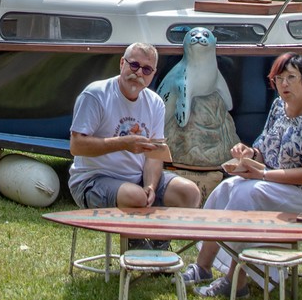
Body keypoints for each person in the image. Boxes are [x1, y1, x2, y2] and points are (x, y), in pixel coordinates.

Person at [185, 52, 302, 297]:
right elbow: (264, 149)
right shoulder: (279, 107)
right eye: (279, 79)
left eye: (291, 78)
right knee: (227, 187)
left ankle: (236, 281)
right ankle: (203, 267)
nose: (284, 85)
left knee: (248, 193)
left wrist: (263, 175)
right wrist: (248, 153)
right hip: (286, 187)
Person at [68, 43, 202, 212]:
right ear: (122, 63)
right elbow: (76, 146)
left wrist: (151, 186)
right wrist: (123, 143)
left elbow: (154, 154)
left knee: (189, 193)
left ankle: (158, 239)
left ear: (153, 74)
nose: (139, 72)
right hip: (93, 179)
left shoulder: (155, 103)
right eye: (134, 65)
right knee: (136, 197)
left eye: (146, 70)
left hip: (137, 179)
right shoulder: (96, 94)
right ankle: (139, 239)